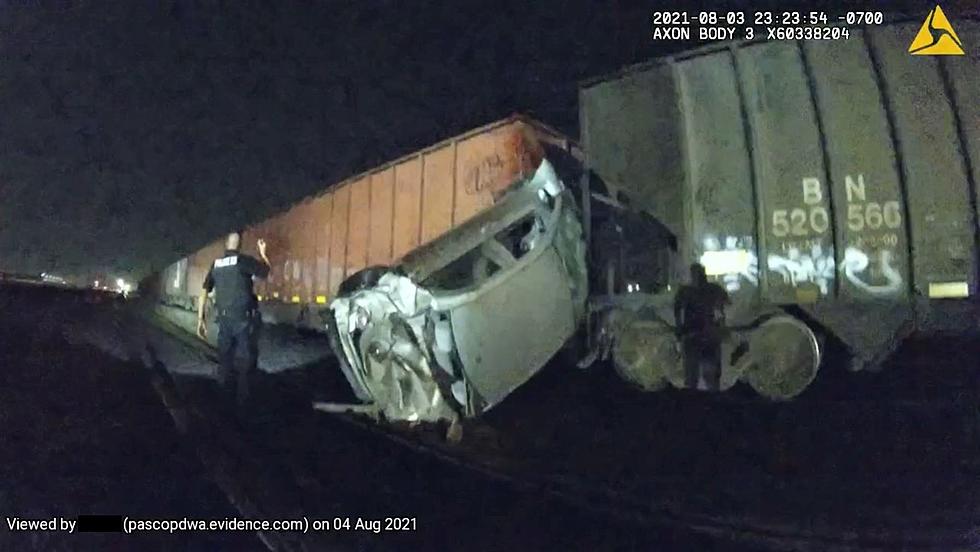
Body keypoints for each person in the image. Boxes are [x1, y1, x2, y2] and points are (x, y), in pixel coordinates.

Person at [197, 231, 270, 409]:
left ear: (226, 244)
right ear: (239, 245)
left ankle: (222, 400)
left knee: (224, 360)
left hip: (223, 319)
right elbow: (265, 272)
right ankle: (243, 402)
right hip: (243, 319)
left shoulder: (217, 264)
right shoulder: (243, 261)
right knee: (245, 361)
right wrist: (263, 253)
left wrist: (200, 319)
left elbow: (204, 291)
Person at [673, 262, 730, 391]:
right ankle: (709, 397)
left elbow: (677, 312)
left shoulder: (685, 292)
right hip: (706, 336)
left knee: (695, 375)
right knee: (705, 375)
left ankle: (700, 398)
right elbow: (725, 308)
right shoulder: (714, 289)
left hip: (696, 336)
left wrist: (679, 330)